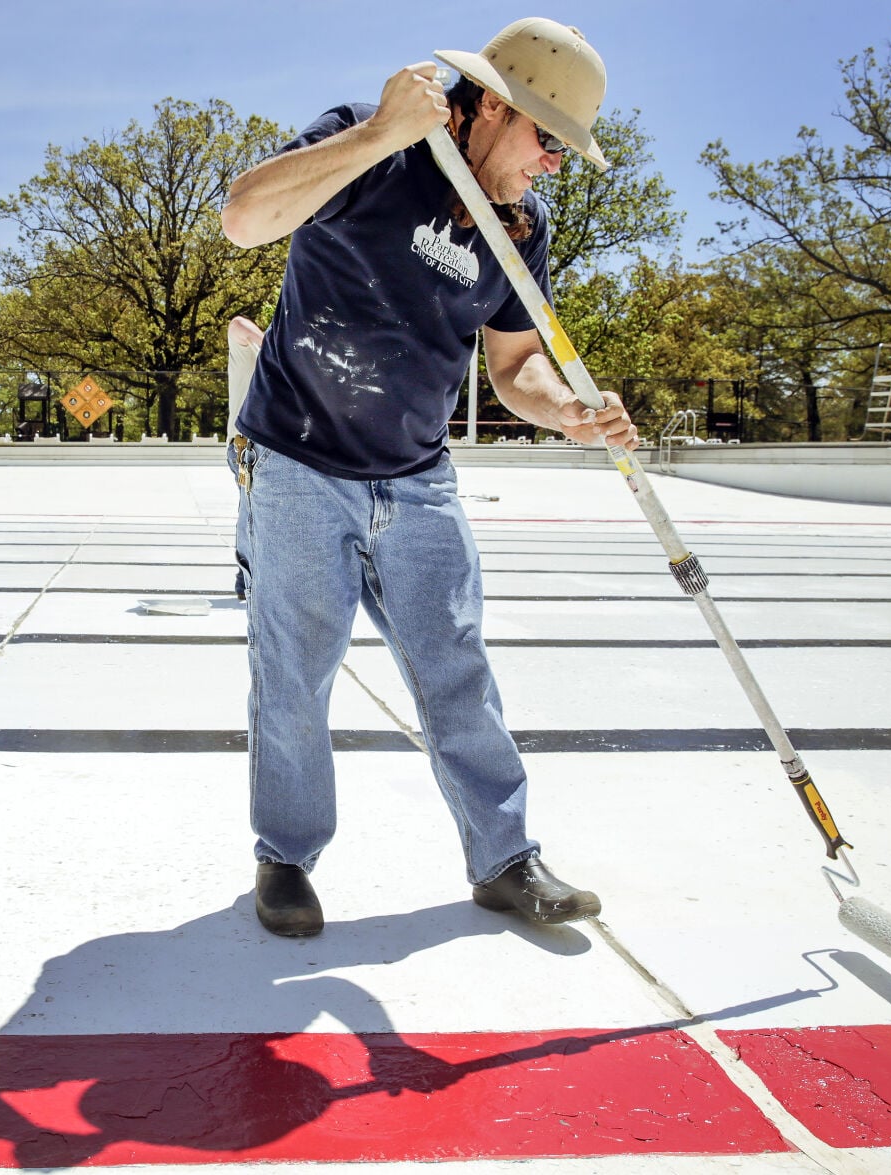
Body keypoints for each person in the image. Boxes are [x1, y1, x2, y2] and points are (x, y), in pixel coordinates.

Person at [218, 18, 639, 938]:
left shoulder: (518, 225)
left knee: (457, 671)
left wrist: (564, 408)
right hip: (295, 458)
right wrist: (377, 133)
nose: (551, 166)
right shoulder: (368, 141)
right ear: (493, 103)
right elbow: (243, 218)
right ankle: (284, 857)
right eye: (546, 142)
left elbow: (514, 364)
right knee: (292, 674)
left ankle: (504, 860)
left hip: (416, 476)